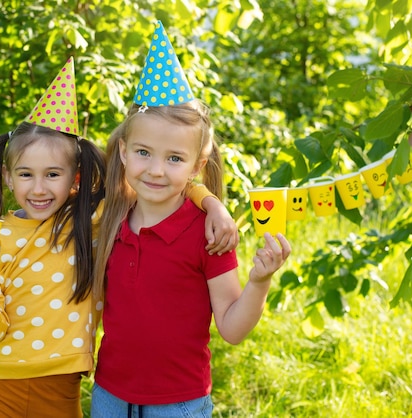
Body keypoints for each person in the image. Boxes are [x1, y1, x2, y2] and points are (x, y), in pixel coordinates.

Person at [0, 58, 238, 418]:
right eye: (26, 174)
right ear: (8, 177)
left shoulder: (93, 219)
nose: (39, 189)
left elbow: (161, 184)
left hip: (63, 384)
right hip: (0, 382)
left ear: (75, 178)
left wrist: (211, 203)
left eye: (53, 174)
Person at [91, 22, 292, 417]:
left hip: (178, 403)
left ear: (197, 165)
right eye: (144, 152)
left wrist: (260, 281)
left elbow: (232, 330)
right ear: (124, 153)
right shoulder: (111, 216)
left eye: (174, 159)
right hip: (109, 395)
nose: (156, 170)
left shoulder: (207, 232)